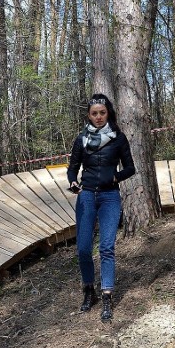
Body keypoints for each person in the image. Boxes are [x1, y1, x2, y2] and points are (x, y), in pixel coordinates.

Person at [67, 94, 135, 323]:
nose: (98, 117)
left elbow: (130, 168)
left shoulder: (118, 138)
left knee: (106, 247)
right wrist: (73, 182)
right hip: (86, 196)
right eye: (94, 113)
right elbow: (72, 168)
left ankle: (107, 295)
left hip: (109, 197)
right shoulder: (81, 139)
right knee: (84, 249)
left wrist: (114, 178)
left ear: (108, 114)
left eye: (102, 113)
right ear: (89, 115)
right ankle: (89, 291)